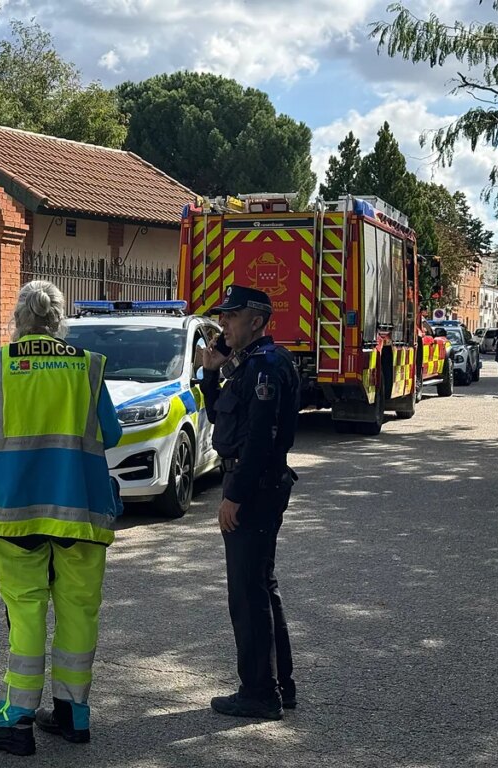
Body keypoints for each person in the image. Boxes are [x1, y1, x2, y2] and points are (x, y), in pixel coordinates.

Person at [0, 280, 122, 757]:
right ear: (58, 321)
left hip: (14, 511)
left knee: (27, 610)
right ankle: (74, 713)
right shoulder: (89, 368)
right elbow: (110, 434)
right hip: (81, 510)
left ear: (19, 319)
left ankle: (17, 718)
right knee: (78, 610)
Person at [198, 285, 300, 721]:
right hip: (254, 483)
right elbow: (220, 416)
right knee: (262, 586)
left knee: (247, 593)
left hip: (254, 487)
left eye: (232, 317)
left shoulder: (266, 368)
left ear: (256, 320)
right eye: (223, 317)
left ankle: (259, 693)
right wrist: (210, 371)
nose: (224, 324)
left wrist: (235, 495)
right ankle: (280, 686)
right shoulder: (247, 367)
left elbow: (261, 439)